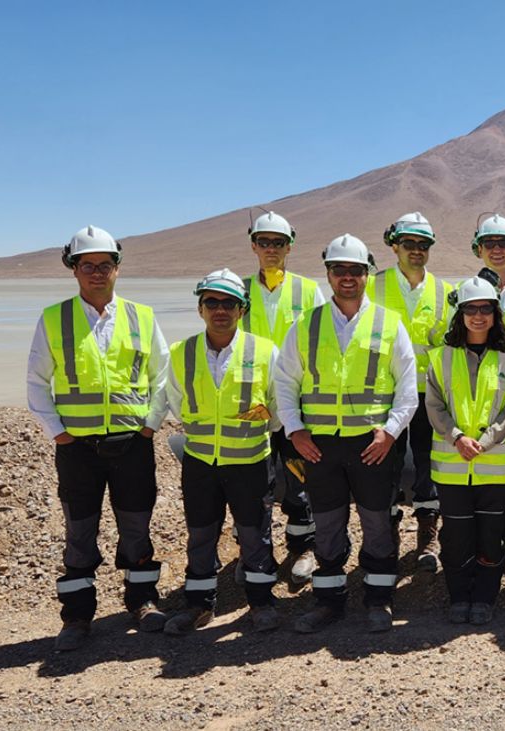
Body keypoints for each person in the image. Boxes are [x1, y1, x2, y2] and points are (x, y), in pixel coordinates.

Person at [26, 226, 170, 651]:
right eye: (87, 265)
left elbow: (162, 377)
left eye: (104, 265)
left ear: (117, 268)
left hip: (132, 444)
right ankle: (76, 617)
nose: (96, 273)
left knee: (137, 527)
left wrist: (150, 424)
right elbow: (36, 382)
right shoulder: (54, 318)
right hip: (78, 450)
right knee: (79, 531)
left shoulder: (142, 317)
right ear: (73, 270)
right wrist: (60, 433)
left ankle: (142, 601)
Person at [274, 235, 417, 634]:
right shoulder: (307, 324)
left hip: (372, 445)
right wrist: (295, 430)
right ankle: (328, 601)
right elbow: (285, 381)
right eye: (340, 270)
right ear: (329, 274)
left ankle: (378, 599)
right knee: (328, 523)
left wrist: (389, 434)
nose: (348, 277)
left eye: (356, 270)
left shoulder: (389, 324)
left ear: (368, 273)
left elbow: (407, 387)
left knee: (376, 522)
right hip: (320, 446)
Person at [162, 269, 282, 635]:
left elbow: (277, 410)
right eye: (211, 302)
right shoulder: (180, 353)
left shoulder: (264, 351)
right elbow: (178, 405)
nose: (220, 310)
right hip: (200, 463)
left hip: (249, 462)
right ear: (200, 309)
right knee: (200, 534)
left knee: (254, 533)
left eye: (229, 303)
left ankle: (261, 604)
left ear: (241, 310)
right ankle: (199, 606)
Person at [425, 277, 505, 626]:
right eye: (471, 309)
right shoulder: (440, 358)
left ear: (496, 314)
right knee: (455, 537)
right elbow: (434, 406)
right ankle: (458, 596)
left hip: (494, 466)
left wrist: (488, 440)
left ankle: (484, 598)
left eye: (485, 309)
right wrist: (457, 438)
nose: (478, 316)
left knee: (491, 535)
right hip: (453, 466)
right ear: (461, 314)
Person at [239, 211, 326, 585]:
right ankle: (256, 554)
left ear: (290, 245)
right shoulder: (238, 291)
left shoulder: (308, 292)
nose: (271, 249)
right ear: (253, 245)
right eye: (264, 242)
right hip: (251, 404)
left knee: (299, 475)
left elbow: (323, 343)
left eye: (278, 242)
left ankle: (303, 547)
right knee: (253, 480)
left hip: (297, 401)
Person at [369, 212, 454, 571]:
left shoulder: (446, 292)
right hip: (384, 395)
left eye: (423, 245)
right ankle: (386, 537)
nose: (416, 251)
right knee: (384, 465)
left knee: (427, 465)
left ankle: (427, 538)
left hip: (428, 395)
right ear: (394, 246)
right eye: (409, 244)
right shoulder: (372, 286)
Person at [469, 213, 505, 570]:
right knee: (488, 471)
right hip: (479, 398)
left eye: (503, 243)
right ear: (478, 248)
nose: (496, 250)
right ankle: (484, 541)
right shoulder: (465, 291)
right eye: (488, 244)